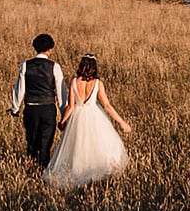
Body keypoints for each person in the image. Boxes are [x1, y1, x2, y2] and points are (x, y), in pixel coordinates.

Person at [45, 54, 131, 187]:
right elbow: (107, 106)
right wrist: (122, 122)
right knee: (99, 145)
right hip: (94, 117)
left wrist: (62, 121)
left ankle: (79, 172)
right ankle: (95, 175)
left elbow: (71, 106)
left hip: (77, 118)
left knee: (77, 147)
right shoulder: (98, 83)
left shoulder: (74, 82)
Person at [9, 33, 70, 165]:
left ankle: (32, 169)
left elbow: (20, 90)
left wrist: (15, 108)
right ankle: (43, 169)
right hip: (48, 108)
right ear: (49, 49)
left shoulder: (25, 65)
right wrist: (64, 113)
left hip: (30, 108)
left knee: (31, 142)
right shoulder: (55, 66)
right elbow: (61, 93)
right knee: (45, 143)